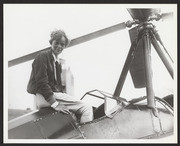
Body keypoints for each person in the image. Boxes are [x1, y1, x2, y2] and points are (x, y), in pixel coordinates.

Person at [27, 29, 93, 123]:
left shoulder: (57, 63)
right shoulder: (42, 56)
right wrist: (55, 104)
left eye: (62, 44)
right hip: (44, 97)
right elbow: (42, 82)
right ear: (51, 42)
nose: (59, 46)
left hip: (49, 96)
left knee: (73, 116)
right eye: (56, 43)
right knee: (86, 107)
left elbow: (56, 87)